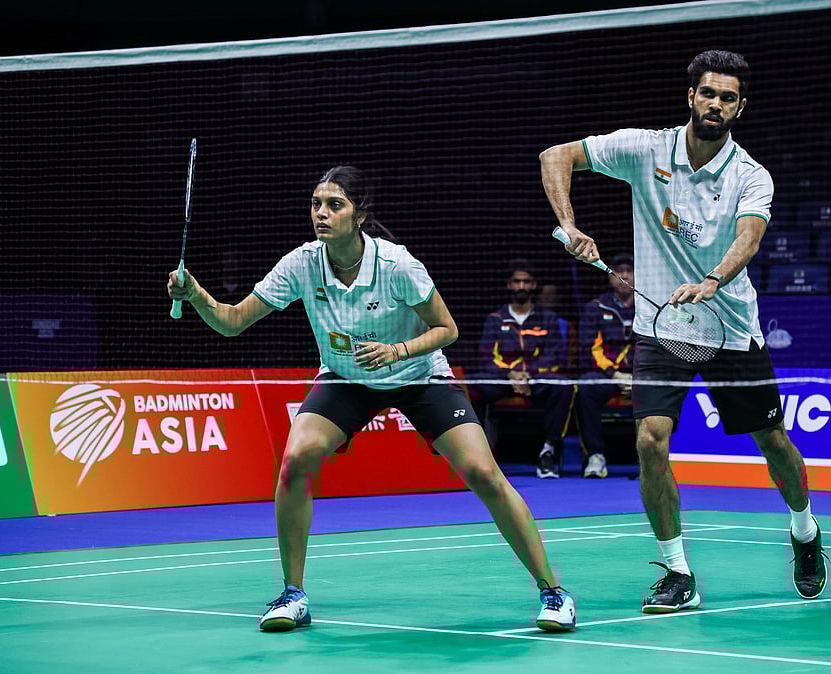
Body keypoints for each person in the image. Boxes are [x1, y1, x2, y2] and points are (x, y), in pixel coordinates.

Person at [166, 166, 575, 633]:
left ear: (359, 214)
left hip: (418, 374)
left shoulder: (397, 265)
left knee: (483, 473)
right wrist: (195, 293)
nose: (321, 214)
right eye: (316, 204)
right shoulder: (302, 263)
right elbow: (233, 321)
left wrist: (397, 350)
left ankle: (553, 592)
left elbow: (447, 329)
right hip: (347, 378)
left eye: (334, 205)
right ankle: (293, 594)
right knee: (296, 460)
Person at [539, 50, 829, 613]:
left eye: (728, 97)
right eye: (708, 93)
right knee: (650, 438)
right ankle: (677, 572)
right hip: (661, 323)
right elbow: (556, 156)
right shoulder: (646, 149)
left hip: (728, 324)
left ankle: (804, 529)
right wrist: (569, 226)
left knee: (772, 442)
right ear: (691, 96)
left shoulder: (750, 175)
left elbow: (749, 237)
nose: (716, 103)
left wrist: (713, 279)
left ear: (740, 108)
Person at [471, 259, 575, 478]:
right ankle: (477, 453)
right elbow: (485, 358)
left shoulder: (548, 318)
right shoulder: (495, 319)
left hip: (536, 380)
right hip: (503, 380)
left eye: (526, 282)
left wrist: (529, 374)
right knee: (472, 386)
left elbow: (554, 355)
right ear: (509, 285)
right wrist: (510, 374)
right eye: (517, 281)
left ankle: (549, 451)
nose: (521, 286)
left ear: (533, 285)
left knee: (564, 386)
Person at [575, 252, 636, 478]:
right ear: (610, 276)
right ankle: (595, 455)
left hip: (640, 376)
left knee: (663, 387)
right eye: (619, 272)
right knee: (585, 387)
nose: (624, 276)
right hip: (608, 376)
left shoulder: (648, 306)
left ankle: (656, 456)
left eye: (629, 271)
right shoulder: (596, 307)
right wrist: (615, 375)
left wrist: (637, 376)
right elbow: (588, 347)